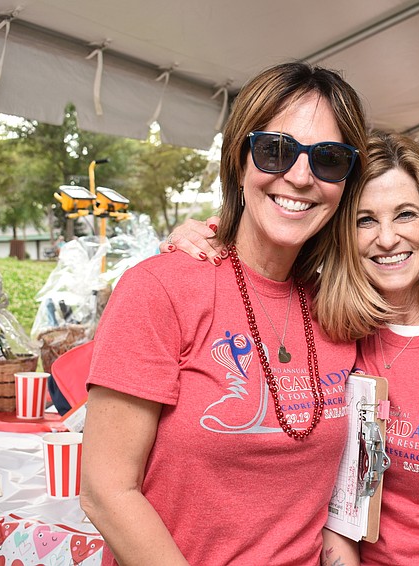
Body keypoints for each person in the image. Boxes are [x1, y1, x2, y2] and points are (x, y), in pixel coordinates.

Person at [165, 131, 419, 565]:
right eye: (365, 220)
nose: (386, 238)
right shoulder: (329, 323)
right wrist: (207, 232)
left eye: (405, 214)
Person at [80, 61, 368, 566]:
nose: (299, 177)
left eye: (327, 159)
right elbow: (106, 490)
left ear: (345, 182)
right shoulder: (161, 288)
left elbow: (332, 507)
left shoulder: (341, 309)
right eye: (275, 151)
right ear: (240, 161)